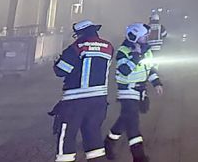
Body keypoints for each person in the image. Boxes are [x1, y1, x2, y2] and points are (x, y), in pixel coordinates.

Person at [51, 20, 114, 161]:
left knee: (66, 137)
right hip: (99, 101)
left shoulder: (77, 47)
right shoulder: (108, 47)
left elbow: (61, 70)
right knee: (93, 136)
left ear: (80, 34)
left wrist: (57, 62)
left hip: (74, 102)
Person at [104, 23, 162, 162]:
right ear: (134, 36)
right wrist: (136, 55)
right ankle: (139, 157)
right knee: (133, 123)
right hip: (127, 91)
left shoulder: (147, 50)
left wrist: (156, 83)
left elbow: (150, 69)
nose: (146, 38)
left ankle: (108, 142)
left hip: (140, 90)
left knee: (125, 119)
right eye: (144, 36)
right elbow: (124, 70)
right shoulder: (123, 51)